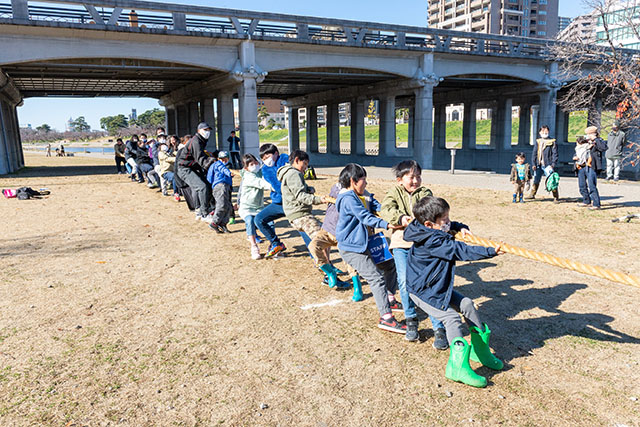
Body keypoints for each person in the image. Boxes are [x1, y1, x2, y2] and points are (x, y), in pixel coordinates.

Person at [404, 196, 504, 388]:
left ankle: (479, 350)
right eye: (445, 220)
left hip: (437, 287)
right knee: (451, 318)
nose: (449, 222)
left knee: (467, 304)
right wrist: (490, 251)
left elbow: (447, 228)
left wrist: (460, 226)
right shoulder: (433, 241)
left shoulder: (427, 228)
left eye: (449, 218)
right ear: (429, 224)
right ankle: (456, 367)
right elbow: (460, 251)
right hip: (423, 291)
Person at [380, 160, 448, 346]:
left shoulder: (425, 193)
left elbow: (432, 211)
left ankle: (438, 327)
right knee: (404, 282)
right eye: (411, 177)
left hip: (422, 245)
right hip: (401, 244)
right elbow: (386, 209)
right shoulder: (393, 193)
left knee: (429, 282)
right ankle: (411, 320)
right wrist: (401, 218)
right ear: (400, 179)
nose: (416, 180)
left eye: (418, 176)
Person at [335, 163, 406, 334]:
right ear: (353, 181)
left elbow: (376, 205)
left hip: (366, 242)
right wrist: (388, 225)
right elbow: (365, 217)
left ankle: (389, 298)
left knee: (390, 265)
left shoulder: (362, 195)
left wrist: (395, 215)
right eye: (363, 180)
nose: (366, 183)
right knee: (376, 279)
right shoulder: (348, 198)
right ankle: (386, 318)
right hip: (352, 247)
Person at [277, 149, 330, 264]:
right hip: (300, 215)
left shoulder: (289, 173)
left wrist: (309, 189)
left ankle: (326, 266)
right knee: (323, 240)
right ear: (297, 160)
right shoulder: (294, 174)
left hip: (296, 214)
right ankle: (326, 268)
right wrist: (319, 200)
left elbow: (296, 191)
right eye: (304, 164)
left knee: (323, 238)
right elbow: (300, 196)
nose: (305, 168)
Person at [308, 182, 358, 293]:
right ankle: (330, 272)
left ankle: (357, 287)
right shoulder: (335, 188)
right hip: (328, 230)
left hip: (344, 234)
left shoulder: (356, 194)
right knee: (313, 246)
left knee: (349, 261)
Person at [176, 123, 216, 223]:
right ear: (199, 131)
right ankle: (204, 214)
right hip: (184, 168)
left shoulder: (201, 141)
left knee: (207, 185)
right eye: (205, 130)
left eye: (209, 130)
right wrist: (212, 163)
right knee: (202, 187)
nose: (207, 132)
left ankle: (201, 211)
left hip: (193, 168)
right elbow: (201, 159)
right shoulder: (196, 141)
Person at [255, 143, 289, 258]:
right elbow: (278, 187)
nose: (266, 160)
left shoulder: (285, 160)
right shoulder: (266, 170)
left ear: (276, 153)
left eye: (268, 156)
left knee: (302, 228)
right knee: (259, 219)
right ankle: (276, 243)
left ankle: (317, 257)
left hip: (292, 202)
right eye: (263, 158)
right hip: (278, 203)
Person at [238, 153, 274, 259]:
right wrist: (276, 187)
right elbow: (262, 183)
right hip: (247, 208)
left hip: (259, 207)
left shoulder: (259, 172)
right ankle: (254, 246)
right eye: (251, 164)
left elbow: (267, 174)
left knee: (270, 222)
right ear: (246, 168)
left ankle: (273, 245)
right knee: (249, 221)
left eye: (255, 162)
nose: (255, 165)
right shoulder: (248, 177)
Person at [576, 126, 608, 210]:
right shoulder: (586, 141)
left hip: (592, 166)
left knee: (592, 185)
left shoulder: (598, 141)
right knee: (582, 185)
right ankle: (586, 201)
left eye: (588, 134)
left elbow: (604, 148)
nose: (587, 136)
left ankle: (596, 204)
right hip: (582, 165)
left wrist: (595, 140)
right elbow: (579, 150)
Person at [527, 125, 559, 203]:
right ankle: (532, 194)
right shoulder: (538, 141)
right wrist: (533, 163)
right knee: (536, 180)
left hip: (548, 165)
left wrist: (553, 164)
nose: (544, 132)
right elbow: (534, 153)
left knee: (552, 181)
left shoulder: (552, 141)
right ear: (539, 132)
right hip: (538, 164)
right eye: (542, 131)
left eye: (546, 131)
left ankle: (556, 197)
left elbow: (555, 154)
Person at [208, 151, 234, 233]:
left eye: (225, 159)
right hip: (220, 186)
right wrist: (229, 173)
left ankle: (223, 224)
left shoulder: (226, 166)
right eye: (221, 159)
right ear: (218, 159)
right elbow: (222, 169)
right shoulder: (218, 164)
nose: (223, 161)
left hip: (226, 186)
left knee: (228, 206)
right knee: (221, 205)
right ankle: (214, 223)